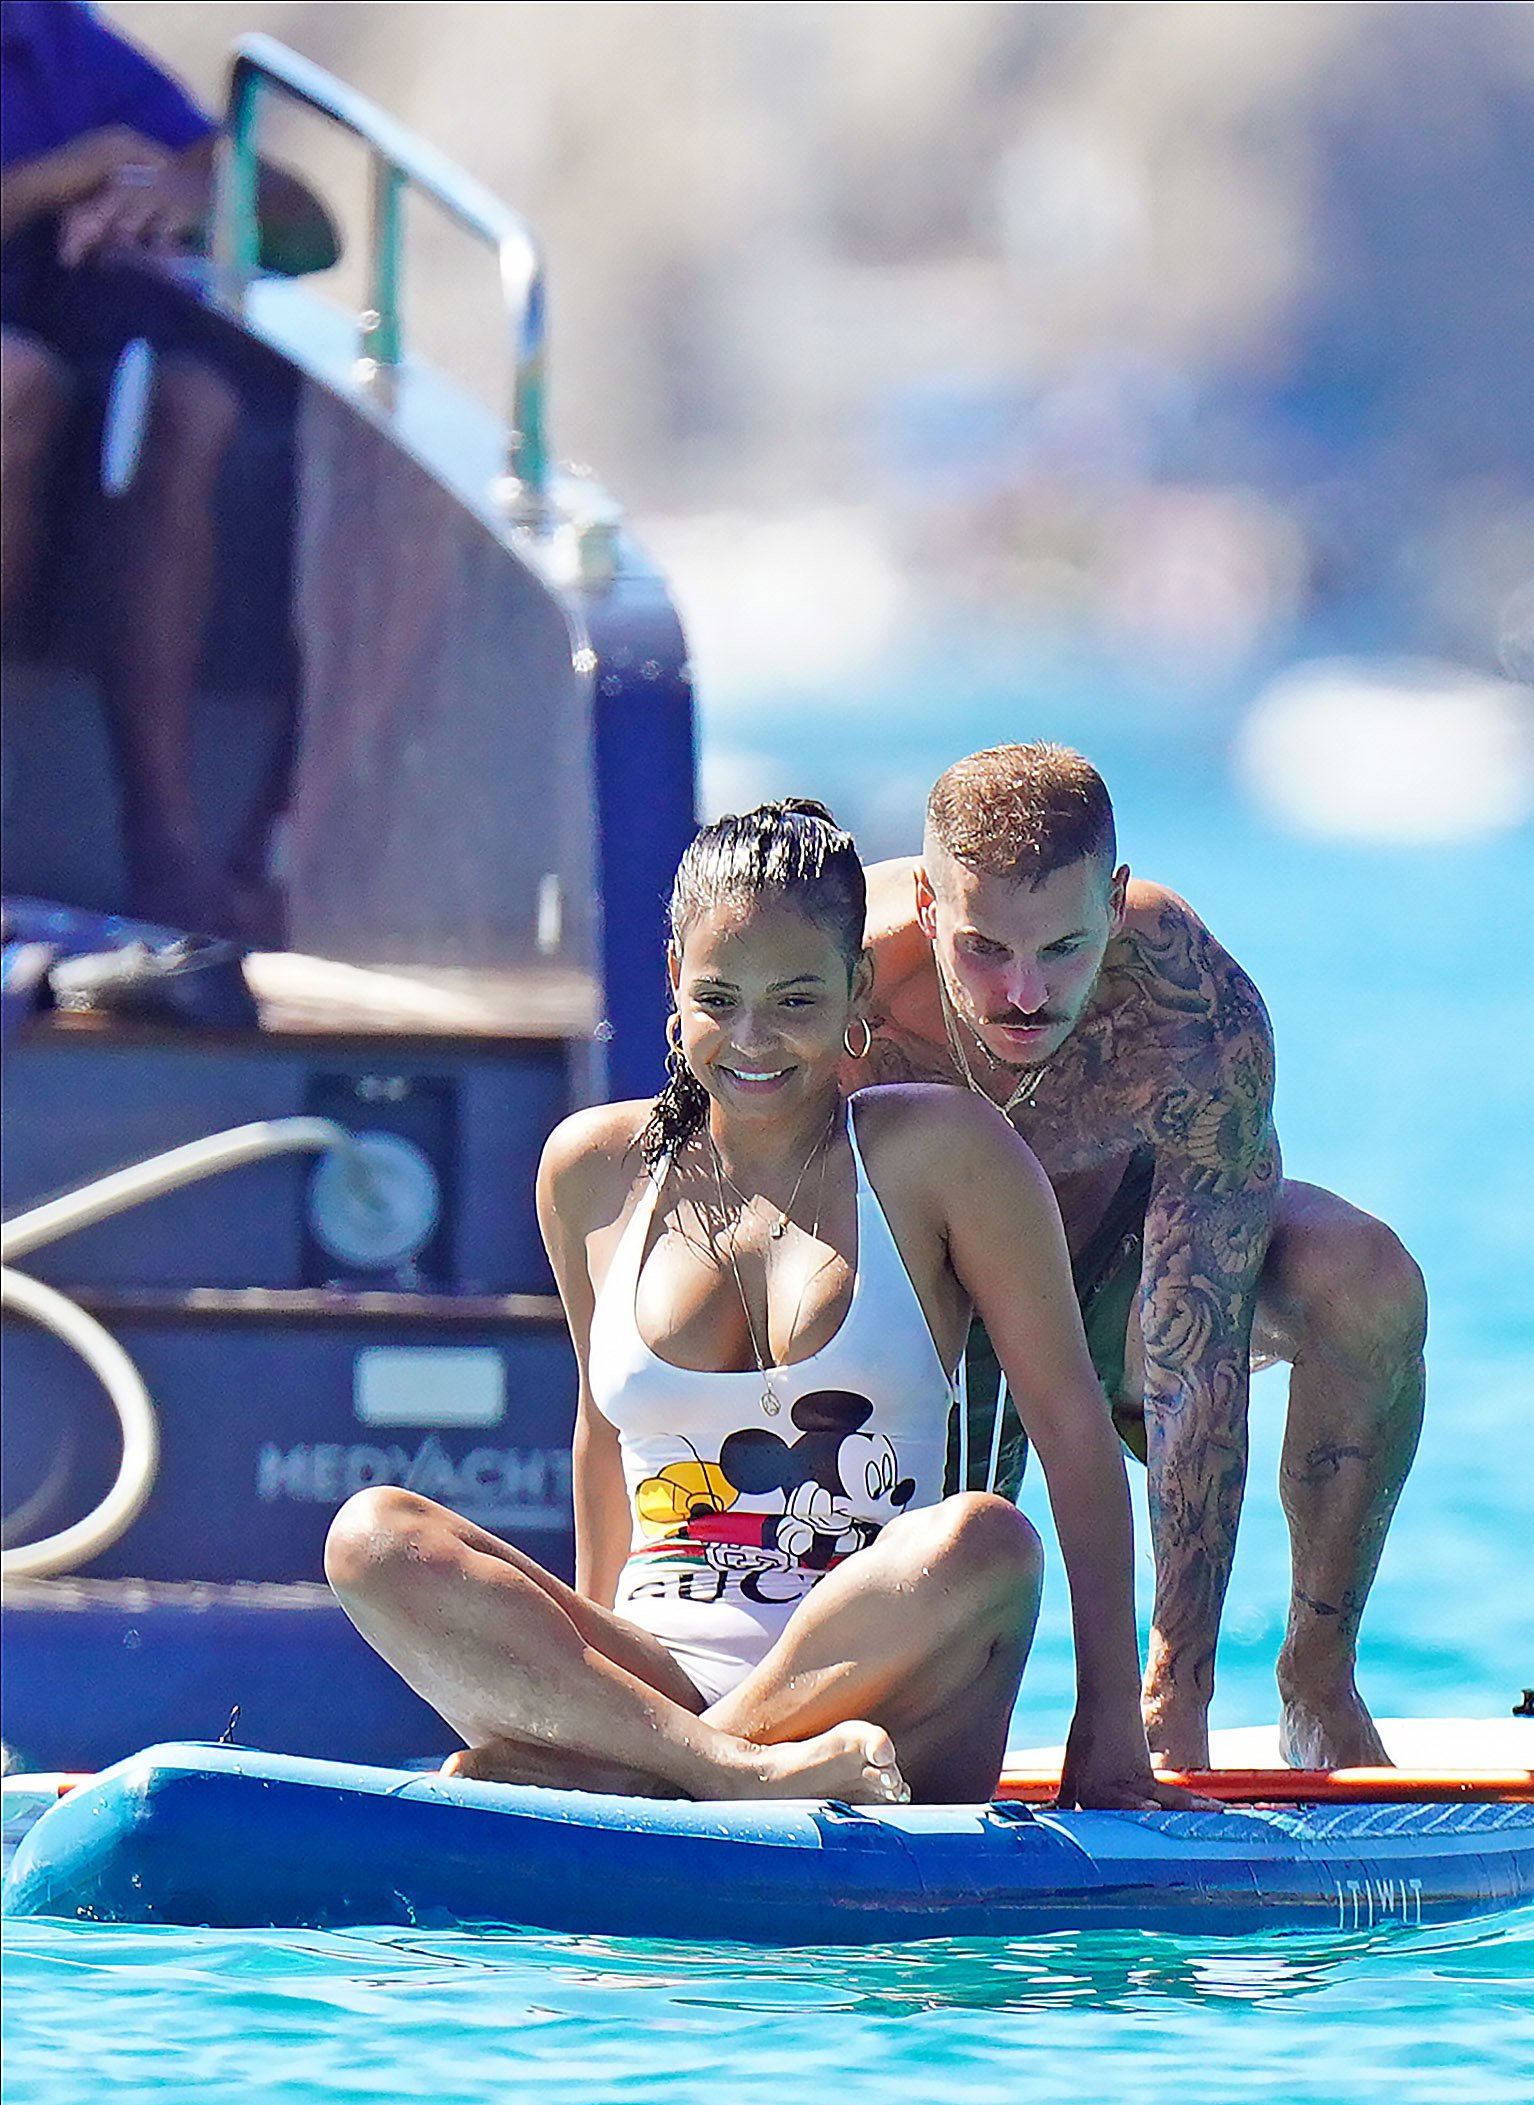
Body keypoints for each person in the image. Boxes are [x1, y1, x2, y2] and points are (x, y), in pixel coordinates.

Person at [326, 801, 1196, 1808]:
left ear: (856, 987)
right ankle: (714, 1771)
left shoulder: (944, 1153)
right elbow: (603, 1440)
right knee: (373, 1535)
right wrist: (585, 1681)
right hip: (660, 1678)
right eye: (718, 998)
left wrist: (1109, 1728)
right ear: (673, 981)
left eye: (794, 1000)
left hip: (888, 1711)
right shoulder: (590, 1171)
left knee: (986, 1540)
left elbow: (1074, 1432)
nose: (752, 1039)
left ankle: (640, 1777)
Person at [853, 740, 1428, 1772]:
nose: (1024, 993)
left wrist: (1170, 1698)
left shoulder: (1187, 1007)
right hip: (922, 1304)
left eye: (1063, 948)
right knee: (920, 1724)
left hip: (1121, 1268)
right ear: (930, 909)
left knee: (1364, 1281)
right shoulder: (838, 984)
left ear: (1114, 904)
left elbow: (1192, 1343)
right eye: (985, 949)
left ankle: (1317, 1682)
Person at [1, 0, 336, 939]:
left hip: (70, 386)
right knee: (15, 384)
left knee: (191, 408)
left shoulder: (47, 39)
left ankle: (179, 859)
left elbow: (313, 231)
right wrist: (55, 178)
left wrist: (198, 192)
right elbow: (88, 161)